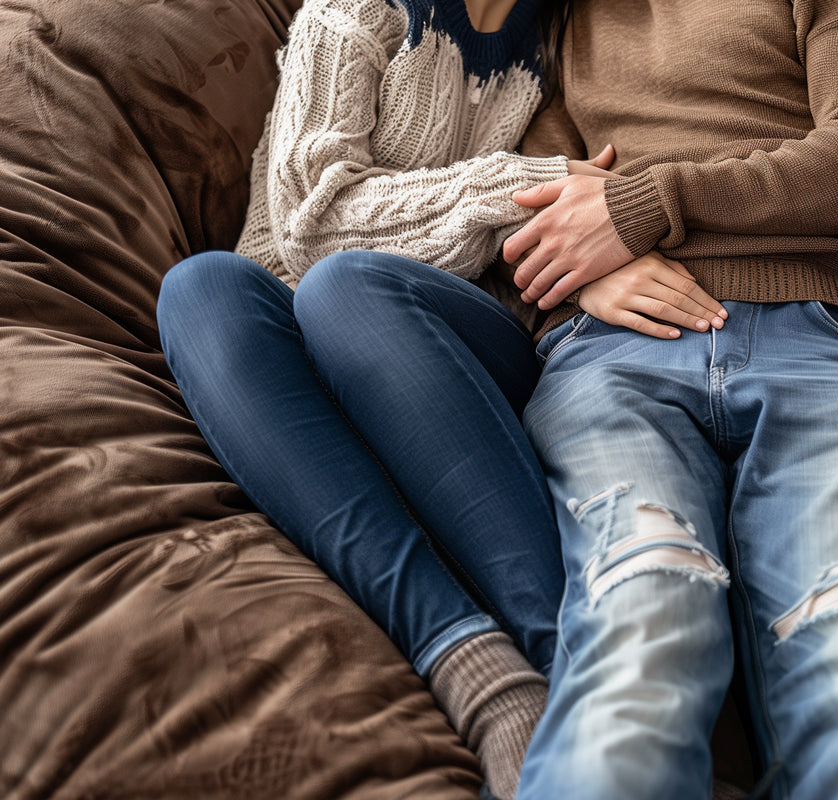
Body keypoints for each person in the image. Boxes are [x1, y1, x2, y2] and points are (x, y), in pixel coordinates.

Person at [155, 1, 726, 798]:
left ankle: (573, 667)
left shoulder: (567, 40)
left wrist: (583, 260)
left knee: (352, 291)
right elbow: (311, 223)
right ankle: (482, 675)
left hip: (454, 346)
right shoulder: (357, 11)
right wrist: (530, 184)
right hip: (288, 337)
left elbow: (571, 228)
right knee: (202, 289)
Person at [504, 1, 838, 798]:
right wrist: (590, 274)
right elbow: (524, 222)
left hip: (818, 346)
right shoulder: (560, 23)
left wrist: (647, 206)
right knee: (643, 623)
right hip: (610, 358)